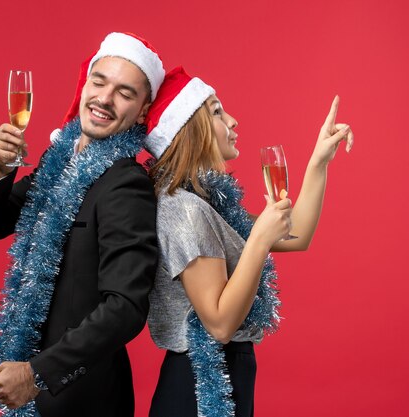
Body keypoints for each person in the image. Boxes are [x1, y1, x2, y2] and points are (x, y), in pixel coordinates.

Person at [0, 32, 165, 417]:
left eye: (124, 93)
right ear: (85, 84)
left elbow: (125, 306)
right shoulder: (60, 164)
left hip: (79, 396)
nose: (104, 99)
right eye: (99, 82)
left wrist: (37, 373)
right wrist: (0, 168)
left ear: (142, 111)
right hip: (28, 383)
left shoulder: (126, 184)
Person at [142, 67, 354, 417]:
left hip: (225, 372)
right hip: (201, 382)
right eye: (217, 112)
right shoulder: (183, 210)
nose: (234, 120)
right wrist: (259, 240)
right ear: (189, 129)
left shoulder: (207, 204)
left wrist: (319, 161)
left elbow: (296, 233)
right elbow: (220, 323)